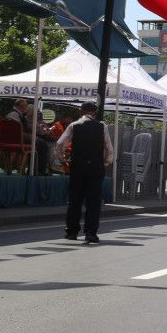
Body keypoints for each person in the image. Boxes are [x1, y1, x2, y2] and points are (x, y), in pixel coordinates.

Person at [56, 101, 113, 243]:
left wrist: (62, 158)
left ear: (81, 112)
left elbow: (60, 143)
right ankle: (90, 233)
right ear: (94, 112)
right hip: (95, 167)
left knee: (75, 200)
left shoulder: (74, 125)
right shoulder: (102, 126)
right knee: (93, 201)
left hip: (78, 166)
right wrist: (105, 162)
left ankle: (72, 232)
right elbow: (109, 149)